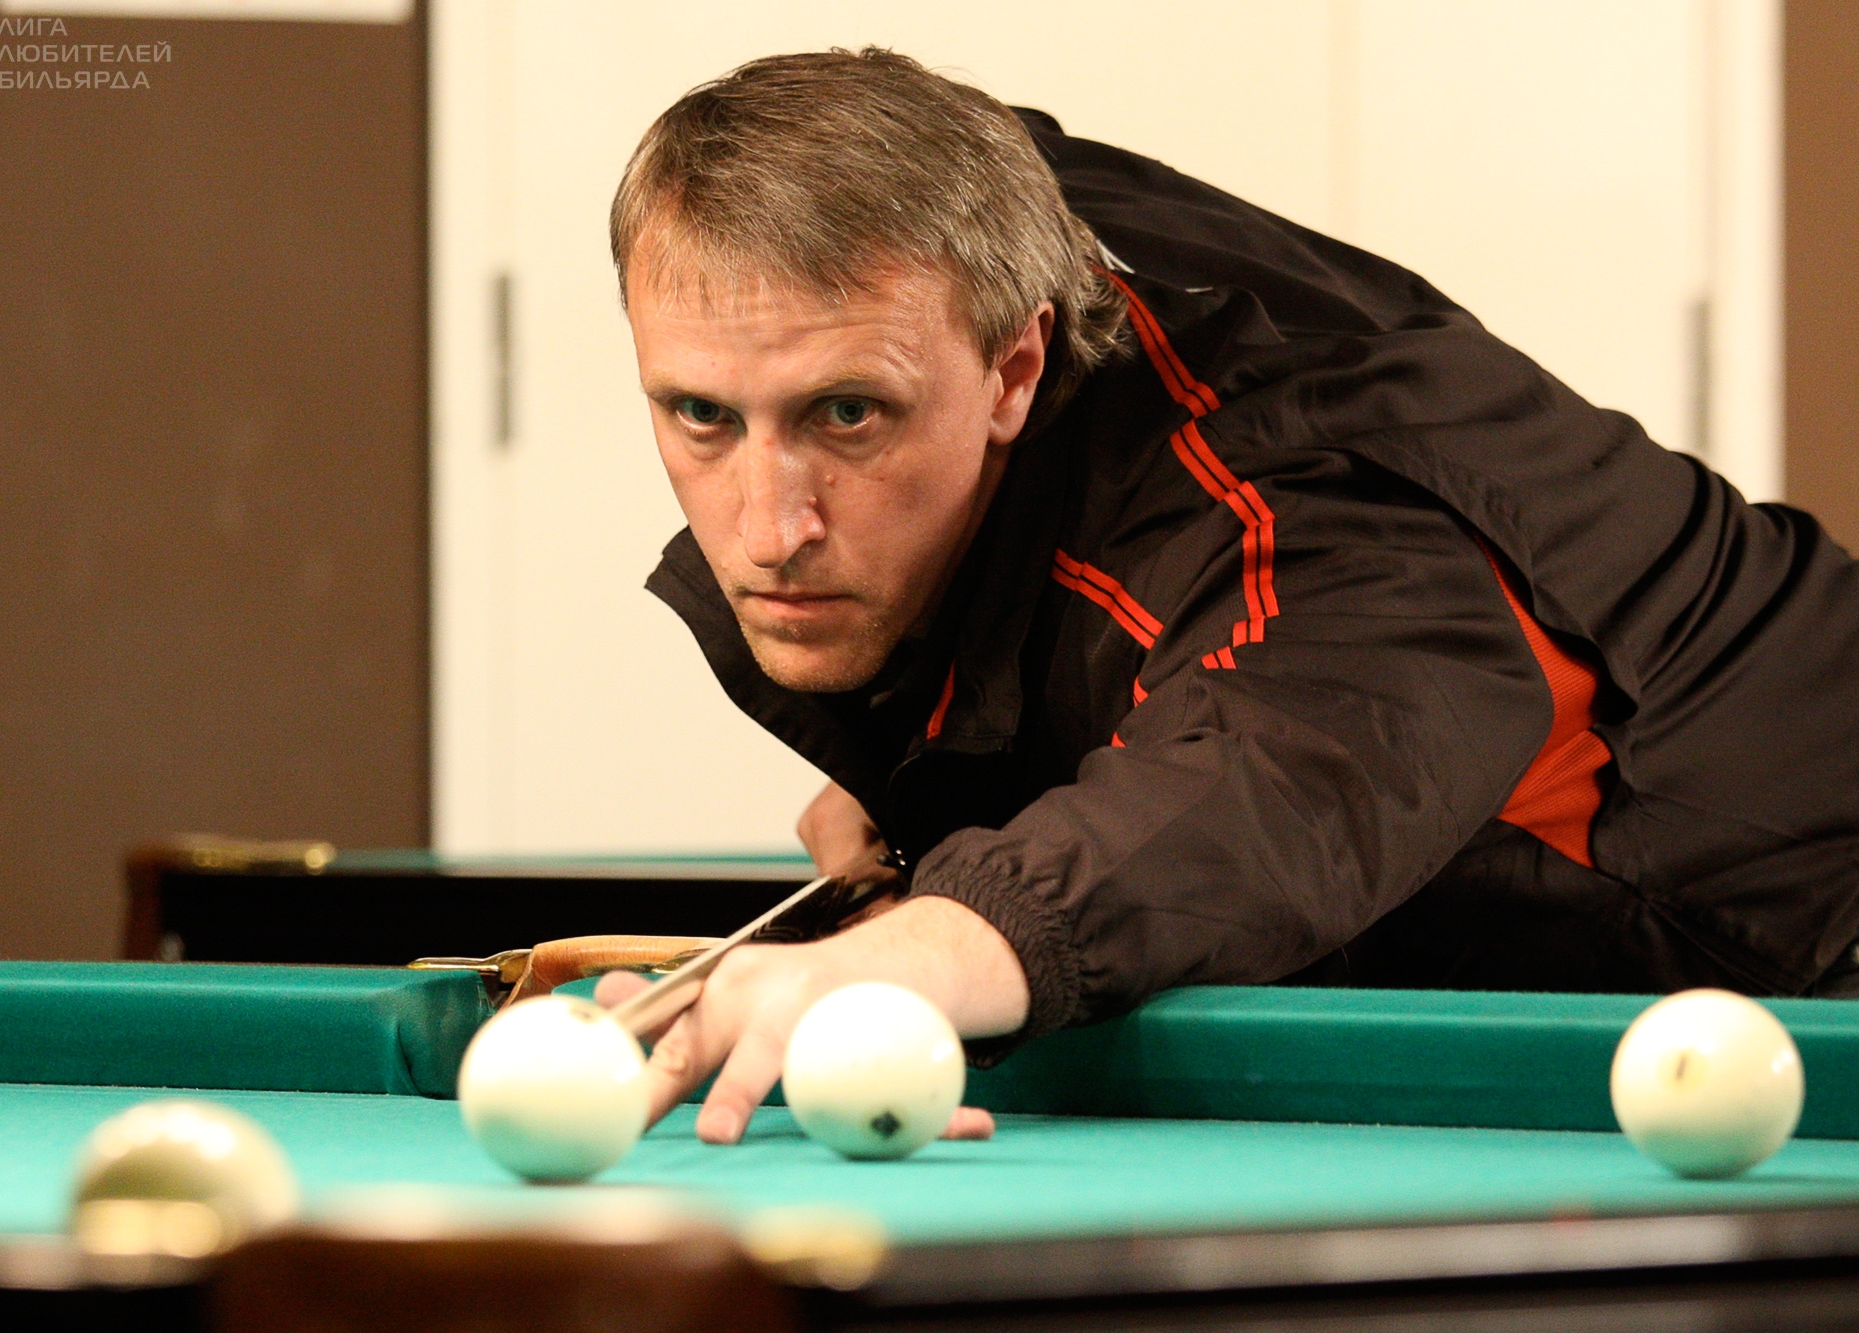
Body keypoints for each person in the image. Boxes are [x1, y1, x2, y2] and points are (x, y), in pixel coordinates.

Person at [591, 47, 1859, 1146]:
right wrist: (930, 765)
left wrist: (935, 944)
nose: (768, 528)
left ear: (1015, 368)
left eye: (847, 413)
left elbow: (1300, 753)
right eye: (700, 413)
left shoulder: (1280, 488)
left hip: (1794, 933)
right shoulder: (968, 208)